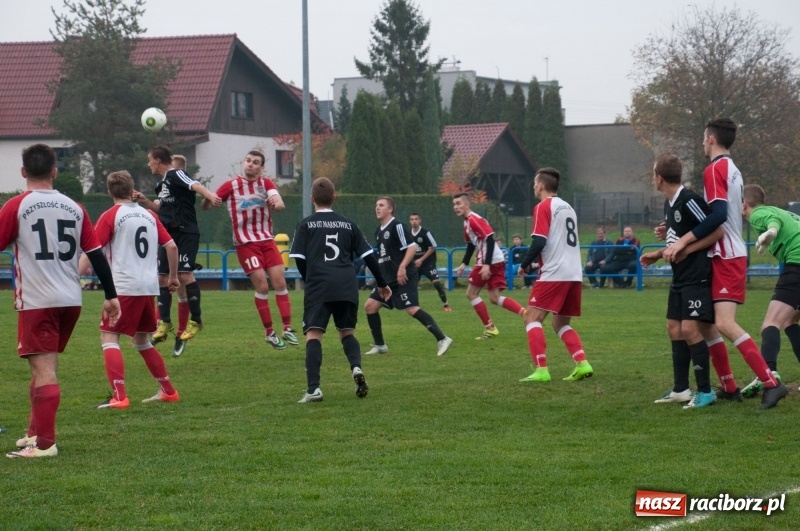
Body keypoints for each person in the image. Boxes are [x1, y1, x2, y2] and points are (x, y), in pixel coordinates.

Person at [1, 144, 120, 458]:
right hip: (70, 299)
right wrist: (111, 295)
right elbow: (96, 255)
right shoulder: (75, 207)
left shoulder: (15, 206)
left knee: (44, 371)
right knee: (42, 367)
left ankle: (45, 445)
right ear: (54, 171)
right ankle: (34, 432)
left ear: (24, 172)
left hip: (38, 300)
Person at [660, 118, 785, 407]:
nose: (703, 143)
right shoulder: (732, 169)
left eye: (704, 138)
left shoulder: (715, 168)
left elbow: (716, 216)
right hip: (723, 253)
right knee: (707, 326)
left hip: (727, 254)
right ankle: (729, 386)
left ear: (712, 139)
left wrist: (682, 241)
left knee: (725, 323)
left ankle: (770, 382)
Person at [78, 170, 181, 409]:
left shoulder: (111, 215)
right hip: (148, 286)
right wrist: (173, 277)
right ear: (132, 189)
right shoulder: (148, 215)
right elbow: (172, 246)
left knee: (109, 336)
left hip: (124, 286)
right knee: (142, 340)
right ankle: (168, 391)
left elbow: (92, 252)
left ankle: (119, 396)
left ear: (109, 192)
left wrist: (73, 277)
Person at [290, 178, 392, 403]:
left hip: (319, 286)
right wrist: (383, 283)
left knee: (314, 334)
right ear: (334, 197)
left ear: (312, 198)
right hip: (346, 285)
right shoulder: (349, 224)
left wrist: (310, 277)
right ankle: (356, 368)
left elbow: (298, 258)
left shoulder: (305, 224)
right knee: (347, 332)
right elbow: (369, 257)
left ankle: (313, 389)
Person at [640, 154, 723, 408]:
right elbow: (679, 236)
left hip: (696, 274)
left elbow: (717, 230)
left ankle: (706, 391)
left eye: (653, 174)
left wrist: (687, 249)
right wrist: (657, 253)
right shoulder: (671, 203)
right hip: (680, 275)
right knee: (673, 328)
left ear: (659, 178)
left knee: (689, 329)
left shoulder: (689, 199)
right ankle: (681, 389)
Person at [201, 150, 298, 349]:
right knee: (262, 286)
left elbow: (279, 203)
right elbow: (206, 206)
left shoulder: (266, 184)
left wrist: (276, 203)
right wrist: (209, 200)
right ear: (243, 163)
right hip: (245, 243)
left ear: (261, 168)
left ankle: (287, 328)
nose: (250, 165)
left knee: (280, 281)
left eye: (255, 162)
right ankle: (269, 332)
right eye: (248, 161)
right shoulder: (231, 185)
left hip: (266, 240)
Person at [133, 146, 221, 357]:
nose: (148, 164)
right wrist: (144, 201)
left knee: (183, 275)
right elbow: (162, 209)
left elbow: (195, 185)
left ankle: (196, 320)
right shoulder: (162, 184)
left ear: (158, 160)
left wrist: (210, 195)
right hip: (169, 234)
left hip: (186, 232)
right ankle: (164, 323)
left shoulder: (175, 173)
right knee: (162, 278)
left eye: (150, 159)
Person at [517, 167, 593, 383]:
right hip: (574, 273)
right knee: (560, 323)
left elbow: (539, 241)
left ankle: (541, 370)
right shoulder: (568, 207)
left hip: (555, 272)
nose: (533, 187)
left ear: (541, 185)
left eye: (534, 183)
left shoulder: (543, 206)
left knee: (532, 318)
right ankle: (582, 363)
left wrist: (523, 264)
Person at [363, 197, 452, 356]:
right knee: (370, 306)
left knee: (411, 309)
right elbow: (384, 257)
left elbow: (412, 247)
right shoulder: (378, 231)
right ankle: (380, 345)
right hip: (388, 280)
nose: (377, 208)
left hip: (404, 276)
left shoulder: (397, 226)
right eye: (376, 205)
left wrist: (402, 267)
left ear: (390, 209)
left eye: (381, 205)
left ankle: (443, 338)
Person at [740, 184, 798, 406]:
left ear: (744, 203)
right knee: (791, 320)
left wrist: (770, 233)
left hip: (798, 265)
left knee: (769, 324)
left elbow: (773, 224)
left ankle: (769, 377)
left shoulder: (758, 214)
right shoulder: (782, 211)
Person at [453, 193, 526, 340]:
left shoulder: (473, 220)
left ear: (467, 204)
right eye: (454, 204)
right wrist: (463, 263)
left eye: (459, 203)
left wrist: (486, 265)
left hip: (489, 261)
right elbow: (470, 245)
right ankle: (525, 313)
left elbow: (490, 240)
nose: (456, 207)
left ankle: (490, 328)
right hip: (494, 260)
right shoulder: (466, 223)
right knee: (494, 297)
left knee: (471, 294)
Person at [409, 213, 450, 311]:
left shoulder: (426, 233)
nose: (414, 221)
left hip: (428, 264)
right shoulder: (408, 234)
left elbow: (432, 248)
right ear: (410, 221)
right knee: (413, 286)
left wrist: (421, 259)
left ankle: (446, 304)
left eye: (416, 219)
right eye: (412, 219)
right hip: (416, 264)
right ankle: (415, 306)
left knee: (437, 284)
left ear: (420, 220)